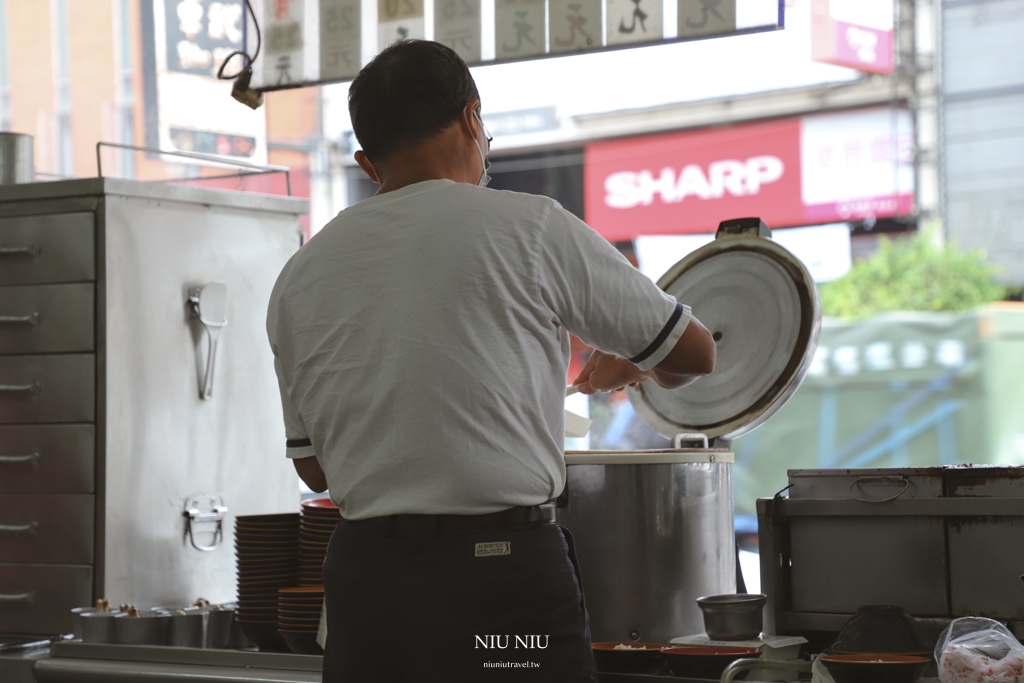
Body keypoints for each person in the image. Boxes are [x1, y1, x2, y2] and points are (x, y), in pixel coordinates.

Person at [266, 40, 716, 682]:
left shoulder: (299, 276)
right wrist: (638, 362)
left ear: (368, 163)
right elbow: (694, 352)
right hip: (497, 581)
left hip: (369, 592)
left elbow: (313, 467)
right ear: (473, 119)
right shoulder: (530, 227)